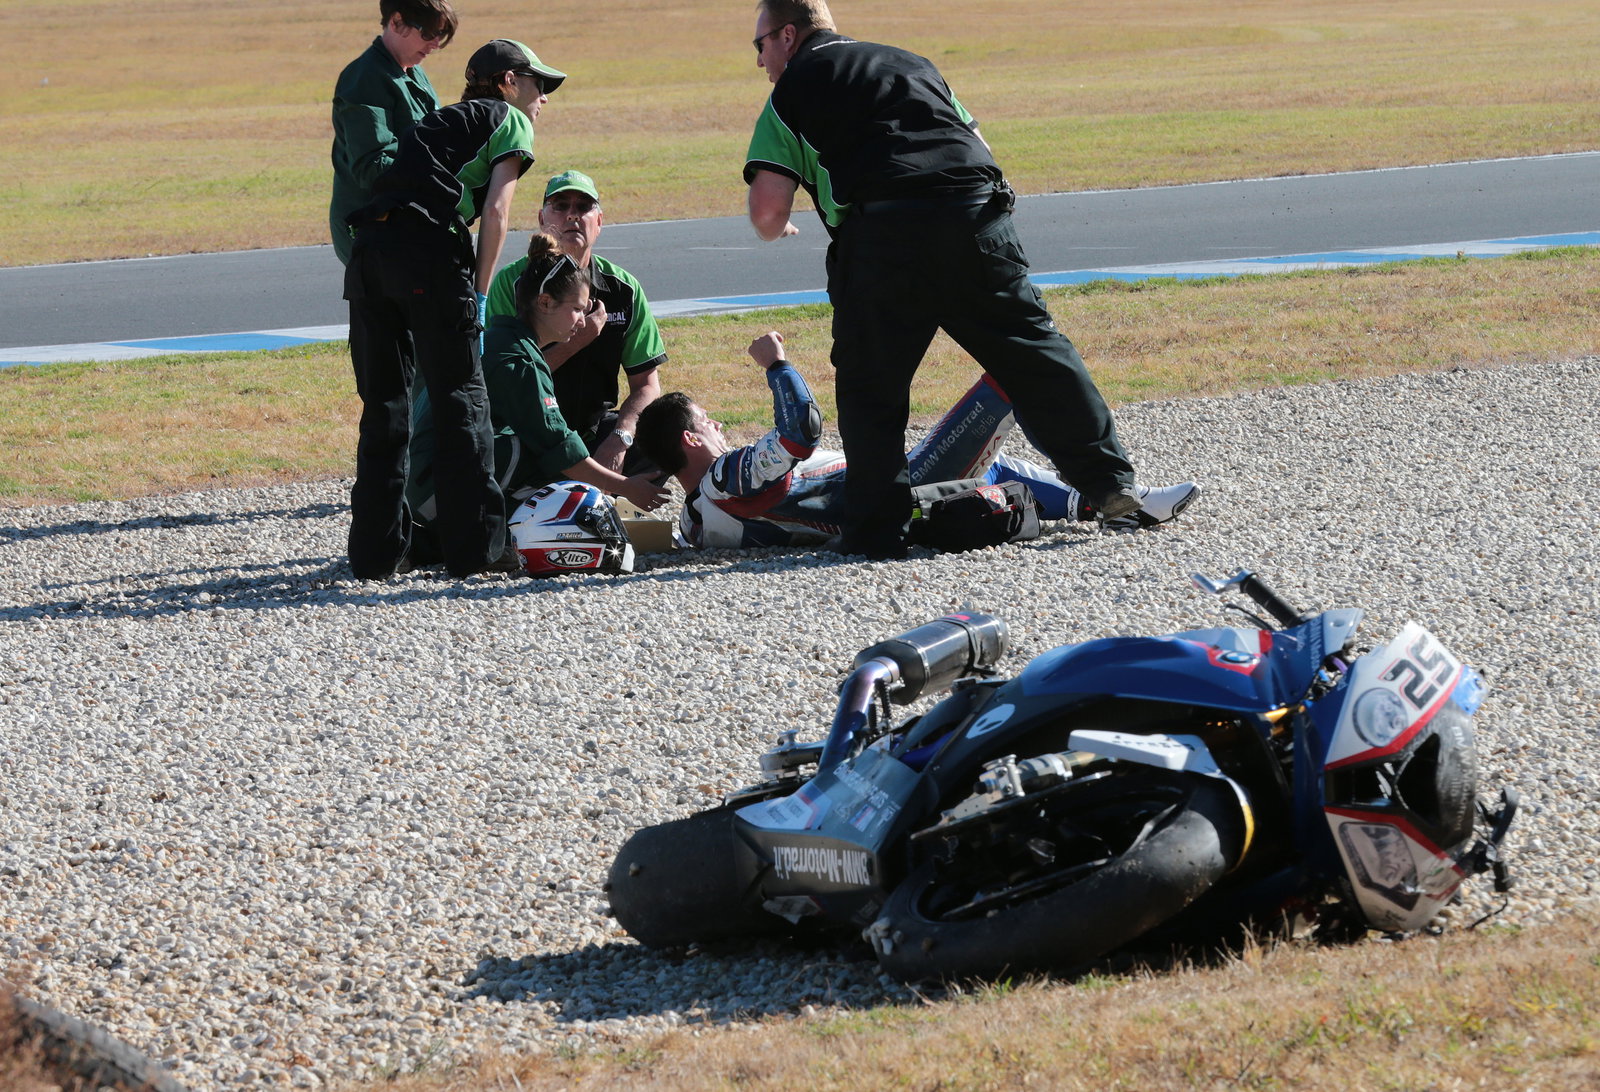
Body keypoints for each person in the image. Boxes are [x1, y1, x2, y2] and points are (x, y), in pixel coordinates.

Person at [744, 0, 1164, 559]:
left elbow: (767, 213)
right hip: (977, 216)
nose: (760, 61)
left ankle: (876, 533)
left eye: (761, 45)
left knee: (873, 389)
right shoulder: (913, 62)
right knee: (1034, 351)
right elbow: (980, 146)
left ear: (789, 35)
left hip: (884, 238)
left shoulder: (793, 89)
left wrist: (791, 220)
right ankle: (1110, 482)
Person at [635, 331, 1199, 550]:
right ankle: (1118, 494)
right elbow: (801, 431)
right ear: (689, 438)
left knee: (994, 474)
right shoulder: (725, 476)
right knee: (1011, 372)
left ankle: (1096, 504)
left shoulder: (695, 524)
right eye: (709, 422)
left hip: (878, 514)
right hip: (896, 492)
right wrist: (778, 365)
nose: (720, 428)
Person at [343, 39, 566, 579]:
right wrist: (482, 291)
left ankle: (376, 554)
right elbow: (495, 213)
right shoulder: (508, 121)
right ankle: (478, 552)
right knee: (461, 401)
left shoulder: (442, 121)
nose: (543, 100)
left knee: (385, 407)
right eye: (538, 86)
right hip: (428, 255)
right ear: (509, 83)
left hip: (369, 254)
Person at [406, 233, 670, 537]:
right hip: (433, 496)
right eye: (576, 309)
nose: (583, 321)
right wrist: (625, 488)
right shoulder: (519, 361)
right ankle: (481, 534)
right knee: (527, 452)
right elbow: (560, 449)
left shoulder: (504, 341)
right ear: (545, 302)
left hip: (430, 480)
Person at [484, 171, 667, 474]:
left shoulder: (625, 289)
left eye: (584, 207)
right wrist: (577, 342)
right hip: (529, 431)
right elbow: (504, 383)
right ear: (542, 219)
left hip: (594, 432)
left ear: (599, 222)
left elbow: (647, 384)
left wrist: (620, 438)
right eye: (560, 206)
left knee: (674, 426)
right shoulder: (513, 285)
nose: (572, 215)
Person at [329, 0, 458, 266]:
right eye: (428, 33)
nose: (435, 43)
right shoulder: (366, 78)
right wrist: (438, 176)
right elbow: (373, 166)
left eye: (441, 35)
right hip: (373, 229)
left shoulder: (412, 70)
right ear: (397, 22)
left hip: (406, 223)